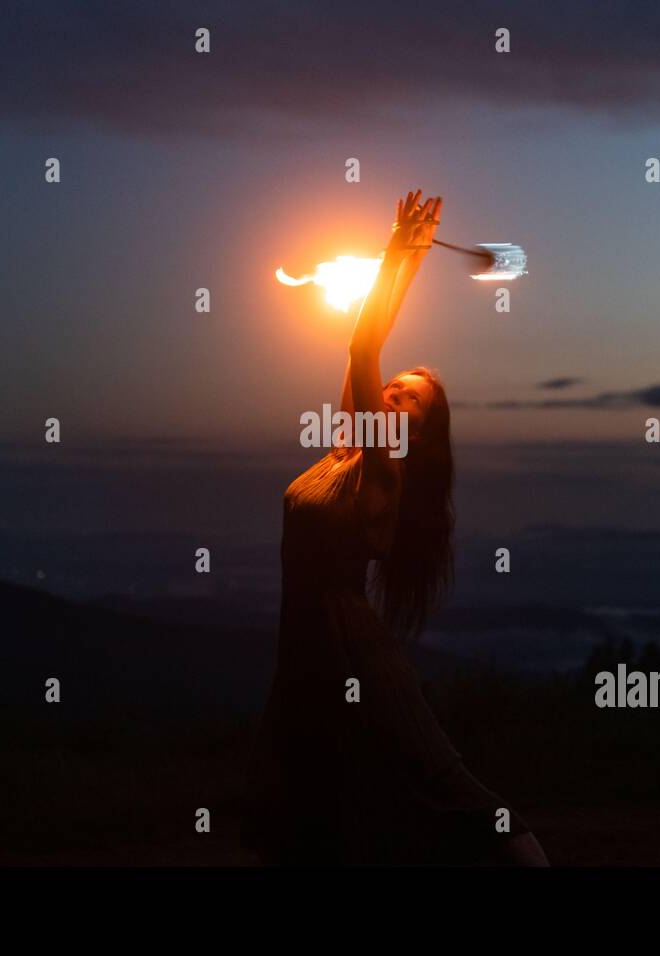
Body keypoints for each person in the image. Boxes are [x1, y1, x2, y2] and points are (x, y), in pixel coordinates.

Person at [241, 189, 549, 866]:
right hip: (304, 648)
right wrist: (403, 246)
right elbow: (360, 347)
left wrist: (399, 251)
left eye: (406, 396)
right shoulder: (349, 445)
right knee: (305, 805)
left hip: (354, 650)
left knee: (444, 785)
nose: (389, 391)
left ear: (417, 428)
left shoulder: (385, 468)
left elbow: (361, 343)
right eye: (393, 385)